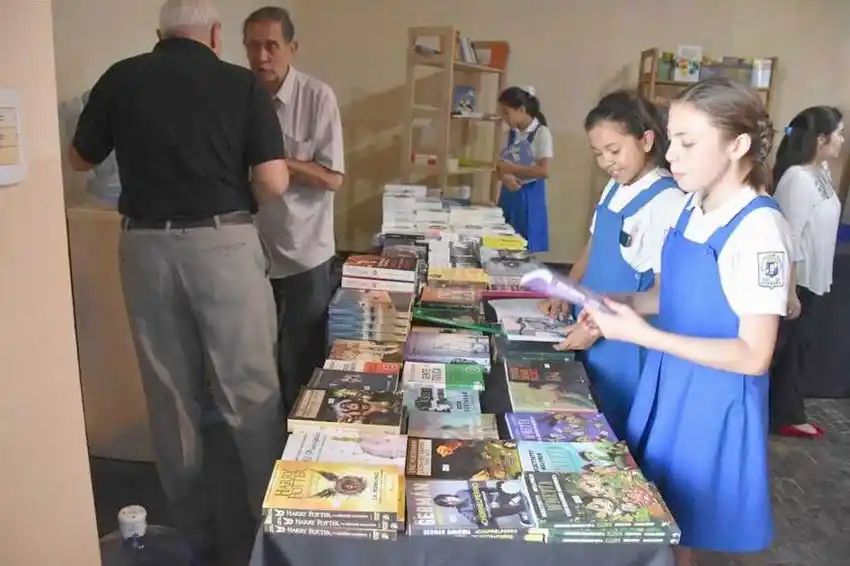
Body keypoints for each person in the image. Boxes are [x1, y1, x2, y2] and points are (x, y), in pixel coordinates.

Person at [69, 0, 289, 563]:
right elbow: (274, 182)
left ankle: (196, 538)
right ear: (215, 34)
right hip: (224, 243)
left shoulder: (122, 77)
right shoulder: (240, 85)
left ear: (158, 35)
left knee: (172, 398)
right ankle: (268, 538)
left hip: (146, 247)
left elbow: (78, 158)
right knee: (251, 394)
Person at [579, 77, 792, 565]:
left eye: (687, 142)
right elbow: (670, 297)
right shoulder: (693, 208)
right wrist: (624, 302)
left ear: (737, 145)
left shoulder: (759, 228)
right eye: (671, 138)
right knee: (661, 514)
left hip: (711, 397)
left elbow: (754, 354)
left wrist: (645, 335)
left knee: (682, 520)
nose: (671, 154)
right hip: (670, 380)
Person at [540, 91, 684, 438]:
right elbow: (593, 247)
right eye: (598, 154)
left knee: (615, 429)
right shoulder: (614, 187)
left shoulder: (667, 202)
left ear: (647, 140)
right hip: (591, 323)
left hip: (625, 344)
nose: (607, 162)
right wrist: (568, 289)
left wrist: (598, 325)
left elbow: (663, 293)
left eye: (614, 150)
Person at [243, 6, 345, 413]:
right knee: (256, 356)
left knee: (302, 356)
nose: (262, 56)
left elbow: (333, 178)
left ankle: (299, 444)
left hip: (306, 250)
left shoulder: (317, 97)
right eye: (253, 46)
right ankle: (264, 442)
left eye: (272, 46)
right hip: (250, 250)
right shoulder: (239, 95)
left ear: (292, 48)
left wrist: (277, 161)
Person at [770, 106, 844, 438]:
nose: (842, 140)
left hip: (815, 277)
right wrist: (789, 291)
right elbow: (789, 237)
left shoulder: (821, 172)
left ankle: (786, 412)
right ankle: (783, 415)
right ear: (821, 138)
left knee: (798, 349)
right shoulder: (797, 178)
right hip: (796, 280)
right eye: (839, 133)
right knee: (786, 350)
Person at [496, 86, 552, 252]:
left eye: (506, 112)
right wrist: (504, 176)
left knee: (525, 245)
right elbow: (499, 165)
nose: (504, 117)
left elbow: (544, 171)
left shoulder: (542, 133)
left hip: (530, 195)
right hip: (509, 194)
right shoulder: (510, 134)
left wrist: (512, 168)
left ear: (521, 110)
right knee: (504, 242)